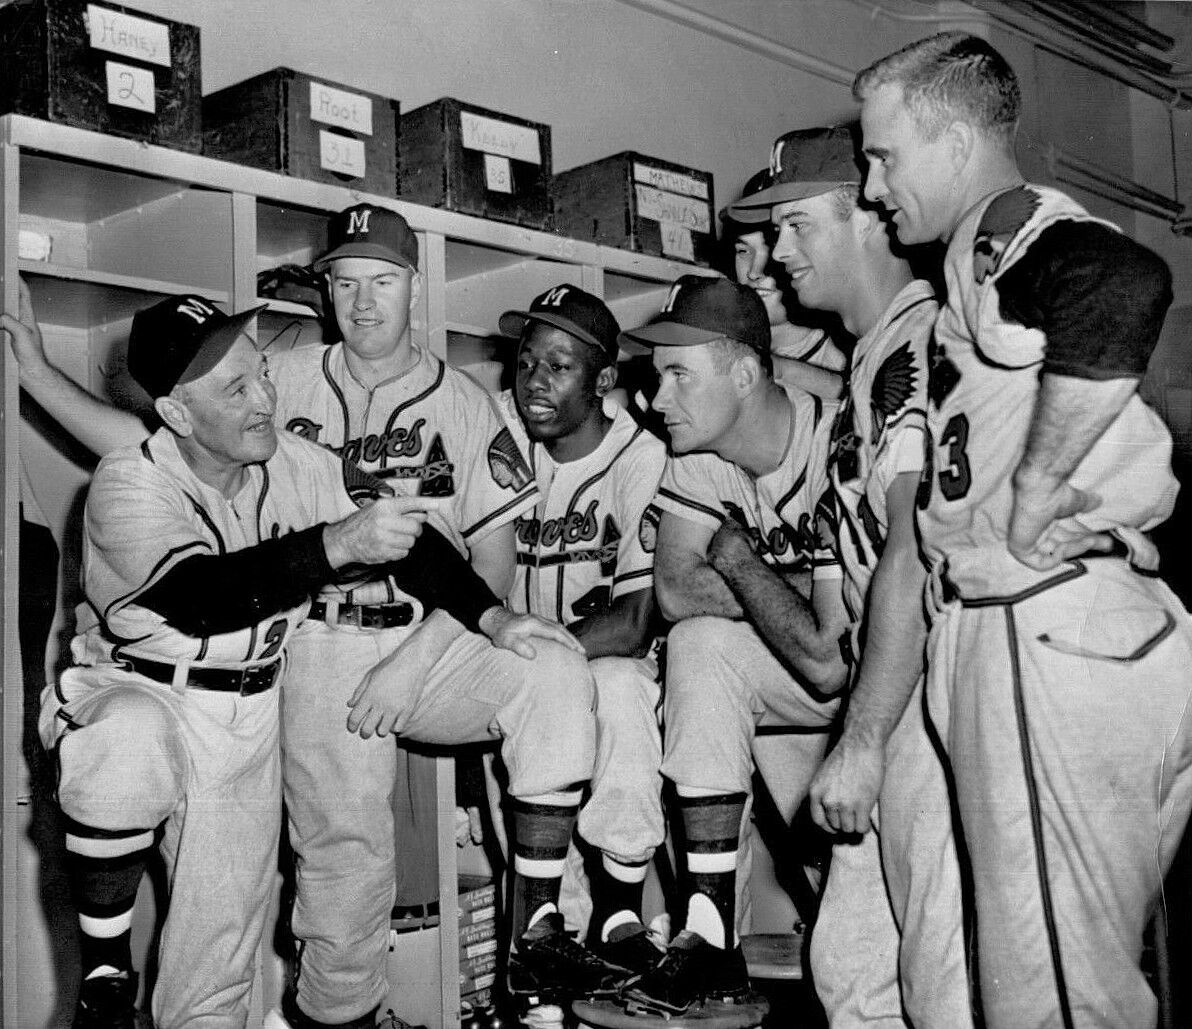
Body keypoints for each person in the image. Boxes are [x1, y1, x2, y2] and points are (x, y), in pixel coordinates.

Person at [4, 202, 602, 1029]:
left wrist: (489, 624)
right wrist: (36, 377)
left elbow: (422, 544)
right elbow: (186, 542)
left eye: (382, 281)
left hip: (334, 667)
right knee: (156, 768)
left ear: (413, 287)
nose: (261, 394)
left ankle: (536, 931)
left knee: (553, 665)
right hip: (237, 663)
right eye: (344, 282)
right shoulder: (182, 442)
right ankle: (121, 978)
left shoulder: (332, 431)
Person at [855, 32, 1192, 1029]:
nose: (875, 189)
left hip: (1037, 622)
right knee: (1091, 988)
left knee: (1048, 1005)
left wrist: (1039, 479)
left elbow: (1118, 283)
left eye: (884, 155)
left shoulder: (1000, 221)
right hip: (1096, 622)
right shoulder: (970, 258)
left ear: (954, 140)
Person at [732, 124, 971, 1029]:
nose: (776, 254)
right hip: (891, 687)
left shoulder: (918, 348)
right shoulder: (860, 365)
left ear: (871, 219)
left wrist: (861, 740)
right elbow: (841, 615)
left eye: (797, 226)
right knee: (849, 966)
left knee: (944, 980)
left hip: (941, 691)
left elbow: (912, 549)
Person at [615, 276, 849, 1015]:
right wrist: (787, 591)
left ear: (746, 374)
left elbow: (832, 651)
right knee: (698, 642)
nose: (657, 398)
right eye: (657, 375)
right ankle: (710, 932)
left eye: (679, 372)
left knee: (869, 931)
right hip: (790, 669)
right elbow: (678, 590)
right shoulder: (700, 449)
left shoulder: (843, 438)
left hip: (890, 694)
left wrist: (742, 560)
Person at [495, 284, 669, 989]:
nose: (535, 380)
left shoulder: (641, 458)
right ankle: (548, 959)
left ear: (603, 381)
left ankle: (621, 912)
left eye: (558, 365)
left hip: (593, 669)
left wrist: (534, 655)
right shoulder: (501, 435)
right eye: (528, 360)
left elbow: (631, 623)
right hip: (513, 672)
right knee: (542, 912)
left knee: (616, 682)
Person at [724, 168, 846, 400]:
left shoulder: (843, 353)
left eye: (770, 247)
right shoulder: (723, 352)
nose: (753, 272)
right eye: (743, 251)